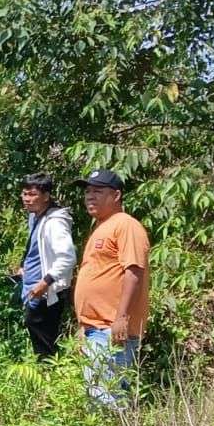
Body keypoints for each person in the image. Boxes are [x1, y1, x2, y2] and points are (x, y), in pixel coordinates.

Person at [72, 169, 151, 409]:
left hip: (112, 329)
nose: (90, 196)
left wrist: (121, 318)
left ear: (116, 195)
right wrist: (83, 326)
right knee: (97, 397)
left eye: (98, 191)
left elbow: (134, 271)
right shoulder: (100, 227)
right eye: (87, 191)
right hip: (95, 328)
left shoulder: (126, 225)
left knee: (107, 398)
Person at [13, 172, 77, 359]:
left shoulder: (55, 222)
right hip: (33, 288)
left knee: (45, 343)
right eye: (25, 194)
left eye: (32, 194)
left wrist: (45, 282)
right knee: (36, 334)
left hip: (45, 292)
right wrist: (24, 266)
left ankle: (48, 375)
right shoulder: (35, 216)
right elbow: (35, 247)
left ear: (46, 196)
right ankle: (44, 373)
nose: (27, 199)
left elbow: (67, 257)